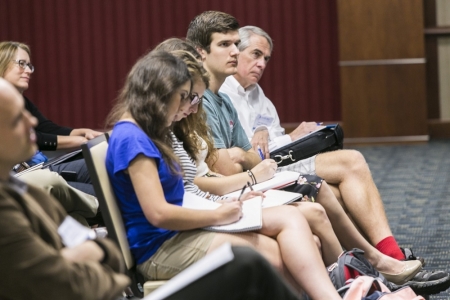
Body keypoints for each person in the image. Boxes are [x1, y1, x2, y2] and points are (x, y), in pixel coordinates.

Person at [154, 39, 450, 295]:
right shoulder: (196, 111)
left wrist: (264, 153)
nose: (251, 59)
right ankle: (373, 270)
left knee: (330, 188)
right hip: (228, 193)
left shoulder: (231, 100)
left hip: (243, 182)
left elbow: (246, 155)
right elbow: (218, 171)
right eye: (232, 47)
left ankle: (370, 273)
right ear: (202, 54)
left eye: (265, 58)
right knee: (327, 188)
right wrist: (245, 178)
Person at [105, 49, 347, 299]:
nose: (186, 107)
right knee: (276, 256)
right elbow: (158, 213)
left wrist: (220, 207)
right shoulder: (132, 138)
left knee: (291, 220)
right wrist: (218, 215)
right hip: (160, 248)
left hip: (179, 232)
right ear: (160, 93)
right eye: (183, 97)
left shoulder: (149, 132)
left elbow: (180, 196)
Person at [187, 15, 416, 262]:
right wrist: (252, 157)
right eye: (253, 54)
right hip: (255, 176)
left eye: (265, 58)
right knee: (349, 163)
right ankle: (380, 259)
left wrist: (256, 151)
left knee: (339, 190)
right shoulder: (208, 98)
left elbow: (251, 154)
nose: (261, 63)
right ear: (203, 53)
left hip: (266, 167)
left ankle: (375, 259)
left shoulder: (243, 96)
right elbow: (230, 166)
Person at [0, 77, 130, 299]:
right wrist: (96, 257)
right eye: (15, 120)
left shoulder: (24, 191)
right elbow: (65, 287)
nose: (31, 121)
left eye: (25, 111)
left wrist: (90, 252)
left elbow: (112, 256)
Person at [0, 41, 101, 195]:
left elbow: (46, 127)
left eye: (29, 65)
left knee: (101, 169)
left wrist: (81, 132)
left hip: (37, 168)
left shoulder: (22, 100)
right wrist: (80, 141)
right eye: (22, 64)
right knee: (100, 181)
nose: (28, 70)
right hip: (22, 175)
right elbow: (32, 137)